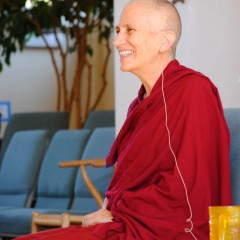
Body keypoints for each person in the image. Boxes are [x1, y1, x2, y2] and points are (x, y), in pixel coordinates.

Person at [15, 0, 232, 239]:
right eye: (118, 31)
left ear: (165, 41)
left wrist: (118, 213)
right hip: (128, 224)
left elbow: (190, 192)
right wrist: (115, 214)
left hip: (164, 231)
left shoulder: (193, 90)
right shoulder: (139, 105)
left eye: (130, 30)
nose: (117, 41)